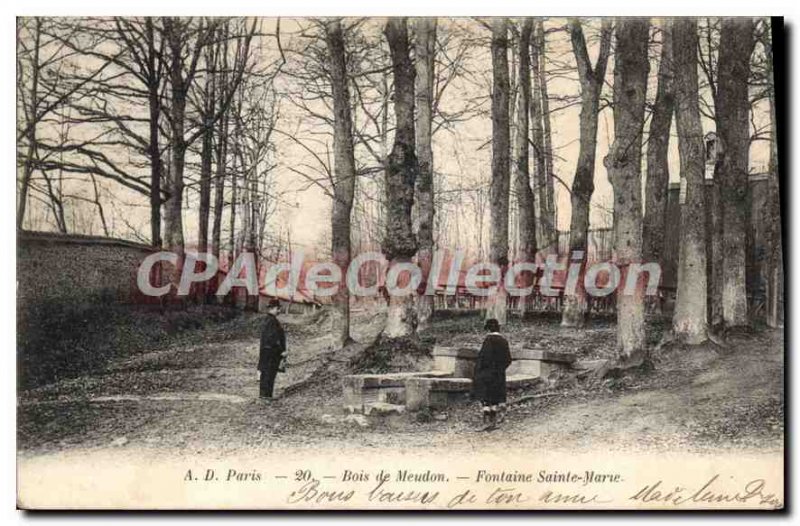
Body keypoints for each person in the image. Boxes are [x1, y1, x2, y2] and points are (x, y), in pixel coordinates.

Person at [471, 318, 512, 429]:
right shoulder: (504, 341)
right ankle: (493, 422)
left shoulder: (488, 340)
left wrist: (478, 372)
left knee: (485, 398)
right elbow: (508, 359)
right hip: (499, 375)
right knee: (494, 397)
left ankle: (486, 423)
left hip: (487, 374)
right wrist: (500, 370)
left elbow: (483, 358)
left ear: (488, 329)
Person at [258, 299, 286, 399]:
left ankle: (264, 395)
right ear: (273, 308)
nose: (279, 311)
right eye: (278, 309)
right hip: (271, 352)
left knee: (267, 373)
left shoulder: (268, 320)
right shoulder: (272, 321)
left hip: (267, 352)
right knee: (269, 374)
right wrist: (281, 351)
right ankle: (266, 396)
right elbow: (273, 339)